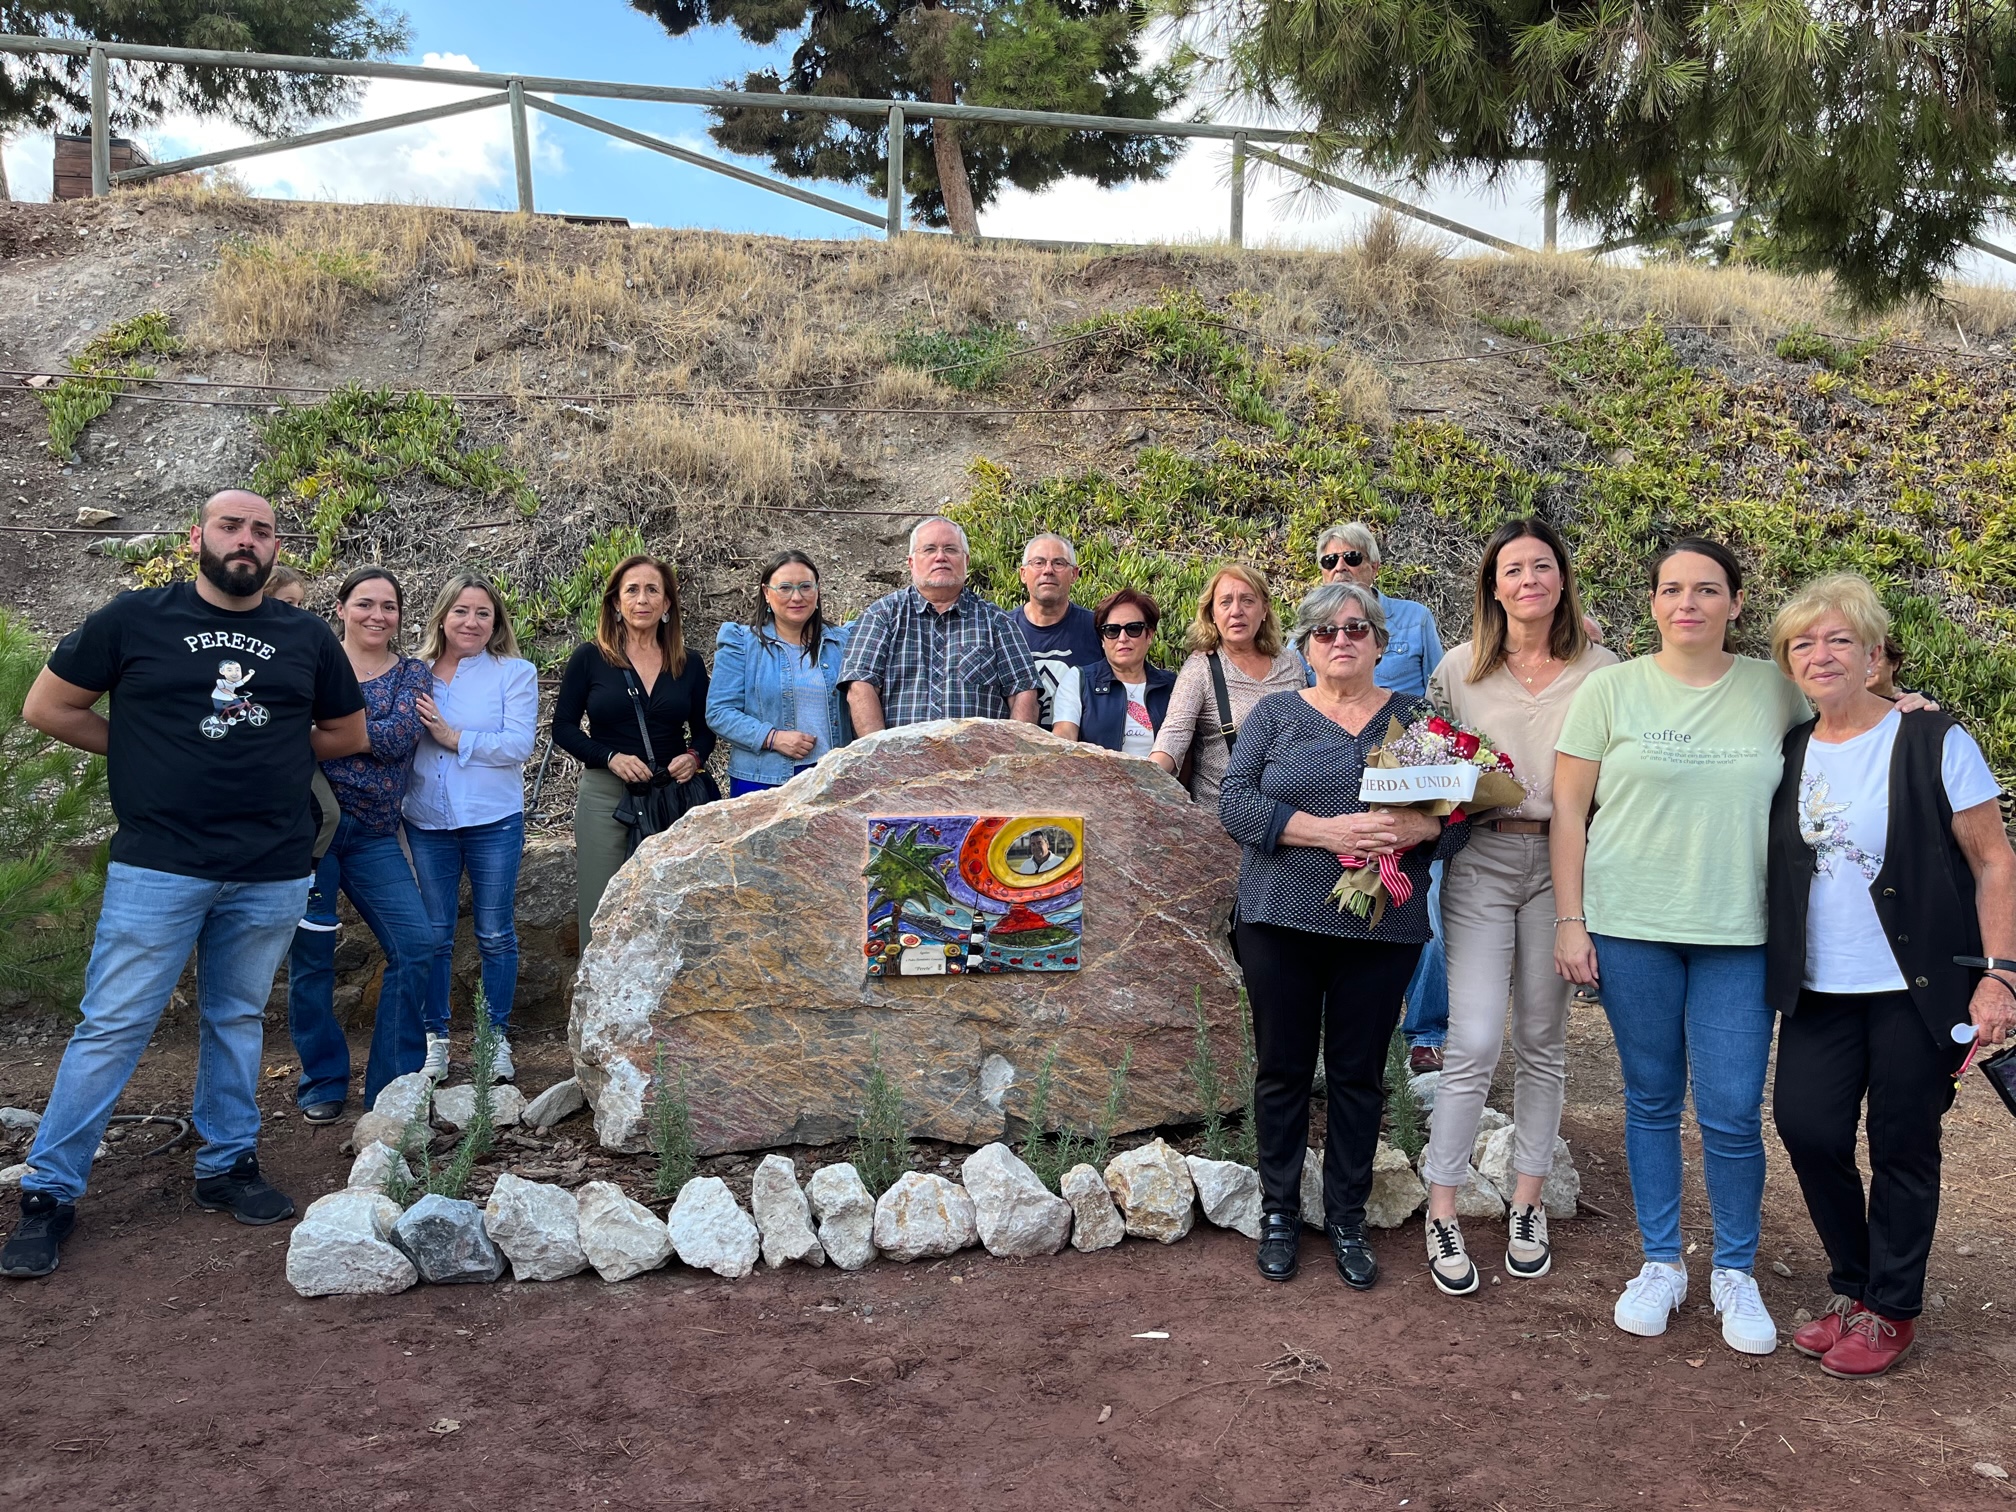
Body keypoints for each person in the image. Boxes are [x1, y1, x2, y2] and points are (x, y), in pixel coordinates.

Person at [1, 491, 366, 1280]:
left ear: (274, 549)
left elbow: (347, 732)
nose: (247, 541)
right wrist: (137, 750)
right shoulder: (134, 619)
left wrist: (271, 752)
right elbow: (47, 705)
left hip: (270, 866)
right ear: (197, 538)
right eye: (232, 527)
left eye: (262, 531)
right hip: (158, 865)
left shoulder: (305, 635)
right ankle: (49, 1195)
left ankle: (226, 1165)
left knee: (235, 1019)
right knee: (113, 1027)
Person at [1551, 537, 1816, 1355]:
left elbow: (1851, 733)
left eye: (1707, 590)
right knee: (1652, 1099)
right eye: (1672, 589)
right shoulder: (1611, 690)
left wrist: (1904, 704)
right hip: (1633, 926)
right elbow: (1568, 811)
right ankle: (1661, 1262)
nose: (1688, 604)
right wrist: (1571, 919)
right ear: (1654, 603)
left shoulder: (1777, 691)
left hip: (1740, 934)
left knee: (1734, 1112)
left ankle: (1734, 1270)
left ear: (1737, 603)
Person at [1765, 574, 2014, 1378]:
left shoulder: (1936, 739)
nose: (1821, 654)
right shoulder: (1792, 748)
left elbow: (1994, 860)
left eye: (1839, 639)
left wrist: (2000, 975)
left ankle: (1891, 1308)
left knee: (1903, 1143)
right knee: (1808, 1129)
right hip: (1819, 986)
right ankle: (1856, 1284)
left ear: (1874, 656)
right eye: (1804, 643)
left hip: (1917, 988)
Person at [1219, 581, 1470, 1291]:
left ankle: (1348, 1218)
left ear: (1382, 644)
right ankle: (1277, 1213)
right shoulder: (1276, 715)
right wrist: (1327, 832)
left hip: (1380, 924)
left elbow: (1459, 812)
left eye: (1356, 628)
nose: (1341, 640)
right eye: (1325, 631)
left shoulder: (1417, 719)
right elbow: (1235, 801)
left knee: (1359, 1076)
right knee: (1284, 1070)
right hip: (1279, 918)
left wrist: (1422, 826)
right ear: (1304, 645)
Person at [1417, 518, 1618, 1296]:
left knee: (1542, 1038)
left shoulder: (1602, 667)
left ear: (1563, 580)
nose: (1528, 579)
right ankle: (1443, 1208)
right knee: (1469, 1042)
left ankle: (1526, 1201)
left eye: (1542, 566)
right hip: (1484, 859)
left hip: (1566, 863)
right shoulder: (1460, 670)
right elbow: (1424, 759)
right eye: (1513, 569)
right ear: (1492, 586)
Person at [284, 568, 435, 1123]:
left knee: (416, 945)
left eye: (389, 606)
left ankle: (391, 1088)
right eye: (365, 603)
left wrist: (330, 735)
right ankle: (322, 1079)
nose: (377, 615)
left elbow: (398, 739)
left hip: (373, 835)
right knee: (312, 961)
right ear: (341, 608)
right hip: (311, 836)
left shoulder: (413, 673)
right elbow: (283, 736)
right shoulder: (312, 661)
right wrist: (354, 734)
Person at [1317, 523, 1450, 1074]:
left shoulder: (1414, 619)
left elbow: (1440, 698)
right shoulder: (1318, 626)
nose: (1340, 567)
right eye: (1328, 561)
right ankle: (1340, 1036)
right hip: (1335, 798)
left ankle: (1424, 1032)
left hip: (1409, 794)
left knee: (1429, 916)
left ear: (1373, 566)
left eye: (1351, 557)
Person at [403, 574, 537, 1084]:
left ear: (496, 622)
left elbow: (517, 745)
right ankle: (436, 1040)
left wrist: (453, 736)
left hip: (492, 820)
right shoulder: (414, 673)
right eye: (461, 611)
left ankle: (493, 1039)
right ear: (442, 615)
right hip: (426, 819)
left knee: (495, 933)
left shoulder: (514, 672)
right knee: (435, 934)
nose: (472, 622)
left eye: (483, 613)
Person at [554, 554, 715, 950]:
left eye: (652, 590)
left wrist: (694, 757)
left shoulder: (688, 664)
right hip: (607, 799)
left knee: (674, 909)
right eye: (631, 590)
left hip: (673, 800)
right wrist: (609, 757)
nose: (642, 599)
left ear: (667, 605)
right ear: (615, 603)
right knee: (601, 910)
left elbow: (707, 730)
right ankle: (600, 1008)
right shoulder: (589, 658)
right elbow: (563, 728)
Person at [838, 516, 1040, 732]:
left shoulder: (997, 622)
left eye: (951, 549)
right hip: (901, 760)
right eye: (929, 549)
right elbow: (860, 686)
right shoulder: (881, 616)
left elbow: (1023, 691)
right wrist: (879, 756)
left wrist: (1011, 756)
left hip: (979, 762)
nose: (940, 557)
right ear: (911, 563)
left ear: (966, 561)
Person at [1151, 564, 1308, 807]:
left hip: (1288, 814)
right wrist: (1145, 783)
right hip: (1223, 820)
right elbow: (1174, 733)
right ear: (1212, 613)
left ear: (1264, 609)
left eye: (1247, 601)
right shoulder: (1200, 668)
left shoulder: (1290, 663)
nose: (1237, 611)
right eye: (1225, 602)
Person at [706, 550, 852, 797]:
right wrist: (772, 738)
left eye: (806, 586)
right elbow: (719, 713)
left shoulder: (843, 642)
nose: (797, 596)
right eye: (785, 587)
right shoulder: (741, 643)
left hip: (833, 777)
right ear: (766, 593)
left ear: (817, 591)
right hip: (763, 779)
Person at [1055, 588, 1176, 755]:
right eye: (1112, 630)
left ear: (1149, 635)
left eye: (1133, 629)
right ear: (1102, 639)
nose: (1123, 638)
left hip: (1162, 780)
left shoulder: (1172, 687)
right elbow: (1064, 737)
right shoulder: (1079, 680)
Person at [1010, 533, 1102, 732]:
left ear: (1074, 574)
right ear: (1023, 573)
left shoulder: (1098, 629)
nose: (1048, 571)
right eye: (1039, 562)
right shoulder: (1003, 629)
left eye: (1059, 563)